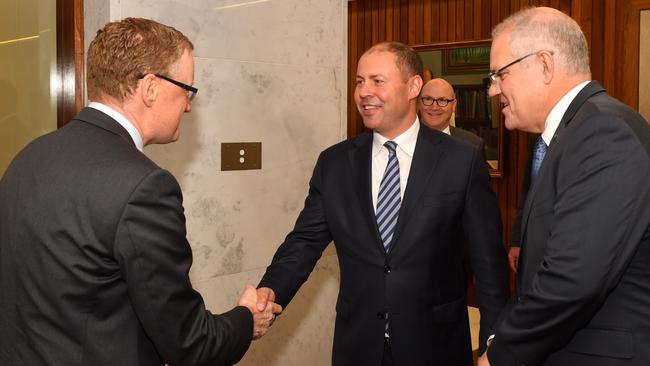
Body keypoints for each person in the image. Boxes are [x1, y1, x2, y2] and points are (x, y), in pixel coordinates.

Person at [0, 18, 281, 366]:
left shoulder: (28, 156)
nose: (189, 106)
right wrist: (245, 319)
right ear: (150, 88)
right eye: (187, 90)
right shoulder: (145, 186)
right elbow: (191, 344)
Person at [255, 41, 509, 365]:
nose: (363, 92)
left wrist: (493, 341)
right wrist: (269, 292)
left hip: (436, 346)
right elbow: (303, 242)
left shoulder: (461, 160)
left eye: (377, 81)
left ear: (413, 86)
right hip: (359, 346)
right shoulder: (334, 164)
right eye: (360, 81)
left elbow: (488, 262)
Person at [478, 6, 650, 366]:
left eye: (499, 75)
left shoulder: (603, 132)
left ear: (543, 64)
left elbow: (572, 280)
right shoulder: (574, 133)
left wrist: (501, 354)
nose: (493, 90)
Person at [419, 78, 486, 155]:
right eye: (428, 99)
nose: (434, 107)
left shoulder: (473, 144)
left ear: (454, 105)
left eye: (442, 100)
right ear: (419, 103)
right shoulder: (404, 139)